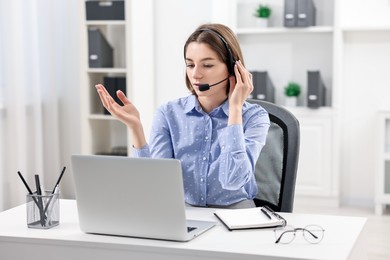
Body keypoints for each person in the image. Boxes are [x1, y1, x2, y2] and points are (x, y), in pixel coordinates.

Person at [95, 23, 270, 209]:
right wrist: (135, 128)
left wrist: (235, 109)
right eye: (190, 64)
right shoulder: (169, 113)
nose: (196, 74)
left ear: (234, 68)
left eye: (208, 65)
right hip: (184, 213)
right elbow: (155, 186)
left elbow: (234, 180)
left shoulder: (254, 117)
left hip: (236, 214)